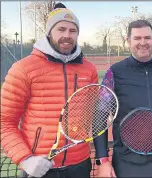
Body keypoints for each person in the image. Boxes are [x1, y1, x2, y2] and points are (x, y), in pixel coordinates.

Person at [0, 3, 97, 178]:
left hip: (81, 166)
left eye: (72, 30)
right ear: (49, 32)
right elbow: (4, 122)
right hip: (39, 167)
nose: (67, 35)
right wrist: (25, 159)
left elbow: (90, 115)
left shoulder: (89, 70)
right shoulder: (23, 69)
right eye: (61, 29)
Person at [93, 19, 152, 177]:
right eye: (137, 38)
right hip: (127, 163)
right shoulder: (114, 73)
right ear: (128, 41)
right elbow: (99, 116)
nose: (143, 42)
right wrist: (103, 160)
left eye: (147, 38)